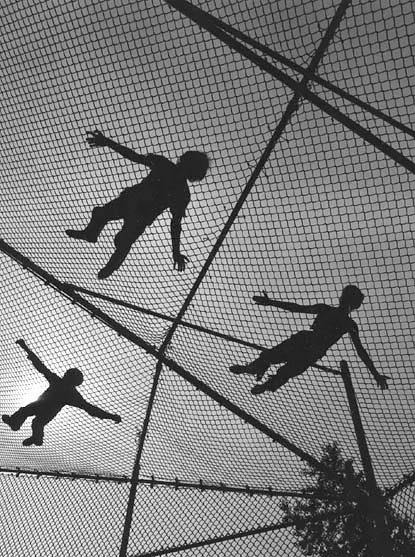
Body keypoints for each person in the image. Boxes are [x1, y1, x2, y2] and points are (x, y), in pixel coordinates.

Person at [66, 130, 210, 279]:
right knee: (104, 219)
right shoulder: (173, 178)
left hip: (138, 210)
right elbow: (134, 156)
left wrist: (176, 251)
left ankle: (109, 262)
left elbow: (176, 224)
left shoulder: (179, 188)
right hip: (133, 204)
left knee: (120, 238)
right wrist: (108, 142)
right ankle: (91, 235)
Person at [230, 285, 390, 395]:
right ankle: (255, 371)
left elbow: (361, 351)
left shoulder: (343, 320)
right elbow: (297, 308)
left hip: (309, 346)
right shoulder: (336, 316)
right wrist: (271, 302)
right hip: (310, 346)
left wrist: (375, 374)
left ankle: (260, 377)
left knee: (283, 366)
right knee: (279, 362)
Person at [1, 339, 121, 446]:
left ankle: (28, 431)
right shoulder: (69, 391)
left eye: (67, 374)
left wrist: (25, 348)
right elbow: (90, 409)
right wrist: (25, 348)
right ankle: (28, 432)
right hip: (47, 409)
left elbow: (41, 367)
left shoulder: (65, 387)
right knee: (35, 420)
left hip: (43, 405)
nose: (65, 375)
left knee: (31, 417)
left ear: (70, 378)